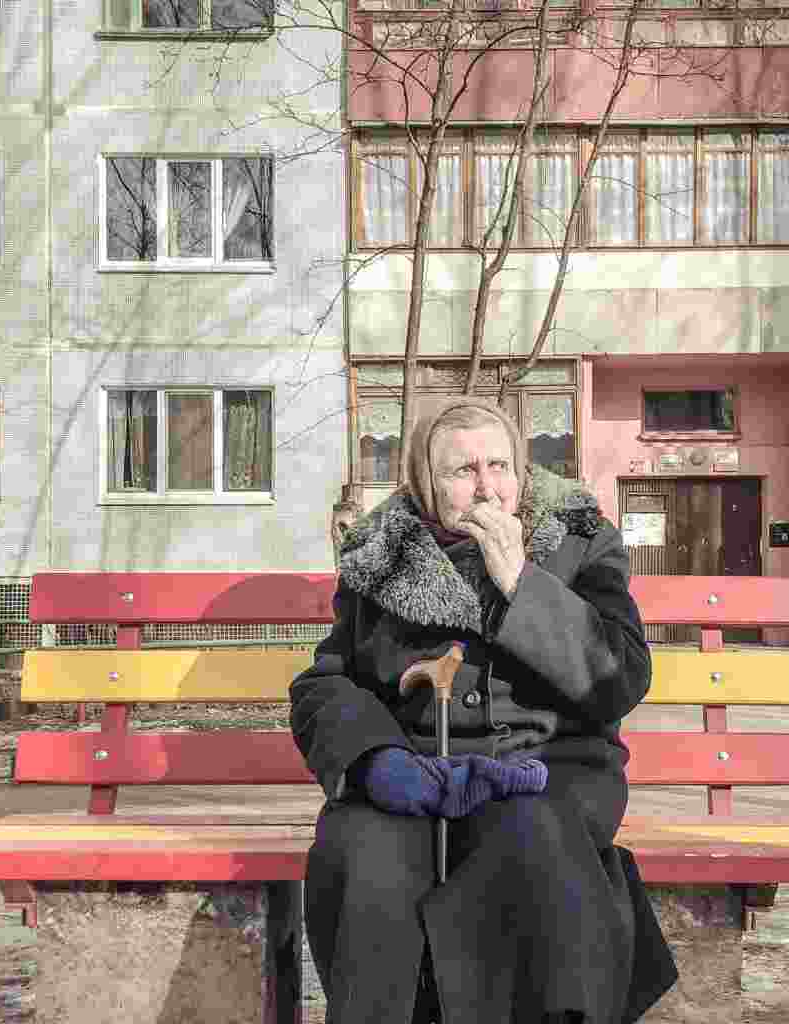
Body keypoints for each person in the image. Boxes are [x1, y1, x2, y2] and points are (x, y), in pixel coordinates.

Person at [290, 396, 678, 1024]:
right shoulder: (380, 551)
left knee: (528, 840)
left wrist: (521, 580)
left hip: (547, 770)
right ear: (424, 481)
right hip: (420, 776)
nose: (486, 487)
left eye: (499, 466)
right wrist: (377, 760)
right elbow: (327, 681)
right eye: (462, 471)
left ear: (522, 474)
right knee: (365, 851)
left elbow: (621, 677)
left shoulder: (580, 542)